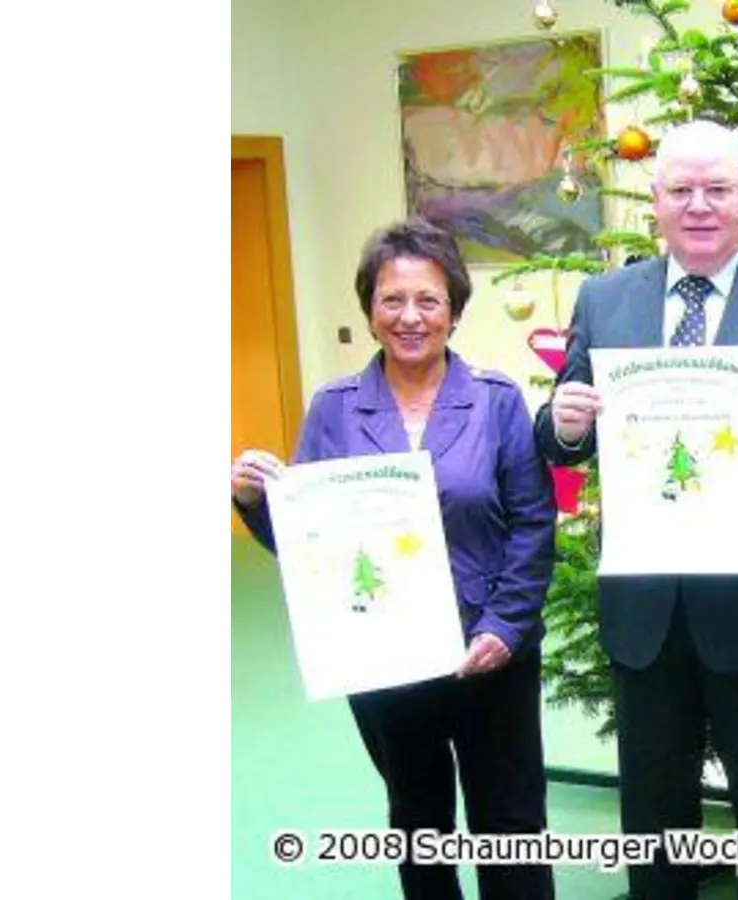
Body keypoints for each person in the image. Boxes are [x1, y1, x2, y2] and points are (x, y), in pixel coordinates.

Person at [532, 120, 738, 900]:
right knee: (652, 812)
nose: (698, 205)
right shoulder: (605, 300)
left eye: (717, 189)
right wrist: (563, 424)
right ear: (653, 202)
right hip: (645, 611)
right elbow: (559, 436)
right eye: (680, 189)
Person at [231, 218, 558, 900]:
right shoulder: (335, 408)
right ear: (371, 310)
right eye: (392, 300)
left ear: (455, 310)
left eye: (428, 301)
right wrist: (258, 501)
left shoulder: (497, 402)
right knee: (418, 821)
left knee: (512, 822)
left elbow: (532, 525)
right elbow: (311, 537)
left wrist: (505, 626)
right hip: (381, 655)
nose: (410, 317)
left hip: (488, 649)